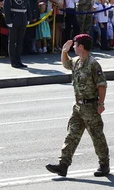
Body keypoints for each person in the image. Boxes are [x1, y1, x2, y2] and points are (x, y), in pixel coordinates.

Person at [45, 34, 110, 177]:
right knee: (71, 135)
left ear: (81, 47)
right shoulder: (76, 61)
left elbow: (102, 85)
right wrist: (64, 52)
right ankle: (63, 165)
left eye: (75, 45)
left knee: (97, 137)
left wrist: (101, 104)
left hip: (91, 107)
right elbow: (66, 64)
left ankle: (104, 164)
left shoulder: (93, 64)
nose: (74, 47)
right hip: (78, 107)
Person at [3, 0, 31, 68]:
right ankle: (13, 61)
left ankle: (19, 60)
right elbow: (6, 7)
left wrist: (28, 17)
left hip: (23, 17)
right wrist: (9, 21)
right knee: (13, 40)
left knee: (20, 40)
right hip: (14, 17)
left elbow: (27, 5)